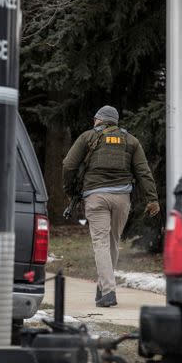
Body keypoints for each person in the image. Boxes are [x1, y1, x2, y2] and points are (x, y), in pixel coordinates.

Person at [62, 105, 160, 307]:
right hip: (122, 199)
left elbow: (68, 164)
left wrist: (70, 189)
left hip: (96, 197)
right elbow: (143, 171)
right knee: (113, 242)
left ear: (99, 119)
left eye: (95, 119)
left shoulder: (87, 137)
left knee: (101, 243)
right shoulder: (130, 141)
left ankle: (108, 292)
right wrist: (152, 199)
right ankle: (103, 284)